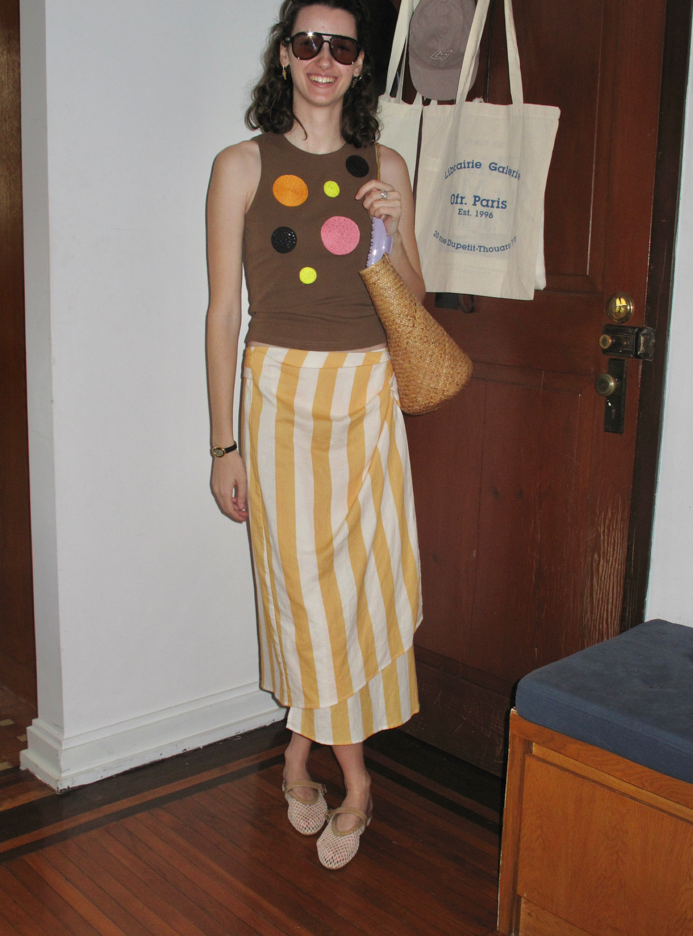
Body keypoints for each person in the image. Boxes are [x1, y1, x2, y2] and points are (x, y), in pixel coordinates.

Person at [205, 0, 424, 870]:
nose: (323, 58)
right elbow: (223, 313)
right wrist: (222, 444)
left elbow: (415, 299)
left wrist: (391, 227)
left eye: (340, 45)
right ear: (285, 56)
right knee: (305, 596)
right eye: (308, 43)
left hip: (368, 390)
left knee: (358, 590)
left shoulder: (387, 163)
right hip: (281, 394)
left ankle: (301, 757)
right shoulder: (240, 164)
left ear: (361, 62)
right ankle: (357, 782)